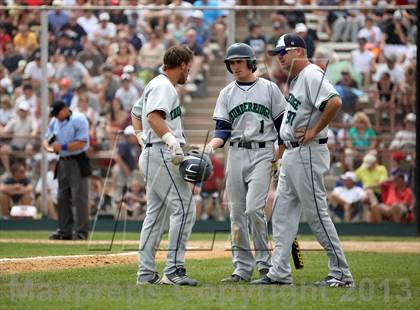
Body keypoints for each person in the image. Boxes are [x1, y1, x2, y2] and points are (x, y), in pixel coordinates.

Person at [252, 34, 353, 287]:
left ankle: (341, 273)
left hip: (308, 151)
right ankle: (279, 272)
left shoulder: (310, 74)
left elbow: (334, 101)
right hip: (293, 154)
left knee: (317, 214)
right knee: (283, 215)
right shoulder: (298, 79)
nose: (280, 57)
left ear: (298, 51)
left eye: (283, 52)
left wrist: (314, 129)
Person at [203, 43, 286, 283]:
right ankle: (241, 268)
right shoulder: (226, 93)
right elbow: (222, 130)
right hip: (236, 153)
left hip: (262, 153)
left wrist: (278, 157)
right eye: (232, 62)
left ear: (251, 63)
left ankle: (264, 264)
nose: (235, 66)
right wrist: (210, 147)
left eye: (239, 61)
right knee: (236, 213)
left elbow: (282, 129)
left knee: (253, 210)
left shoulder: (269, 89)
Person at [131, 45, 198, 286]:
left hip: (153, 152)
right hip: (161, 153)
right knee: (185, 208)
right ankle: (173, 270)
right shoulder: (163, 86)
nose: (189, 71)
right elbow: (152, 117)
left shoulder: (155, 83)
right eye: (188, 67)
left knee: (156, 214)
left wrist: (141, 138)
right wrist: (172, 143)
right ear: (181, 64)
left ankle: (146, 273)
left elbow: (136, 113)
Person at [43, 100, 91, 240]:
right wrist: (47, 146)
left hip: (77, 160)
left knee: (79, 198)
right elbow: (47, 137)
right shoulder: (55, 121)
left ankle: (81, 232)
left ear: (65, 110)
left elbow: (82, 142)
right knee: (62, 197)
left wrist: (62, 147)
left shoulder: (79, 119)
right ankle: (65, 231)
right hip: (62, 162)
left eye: (57, 113)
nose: (56, 117)